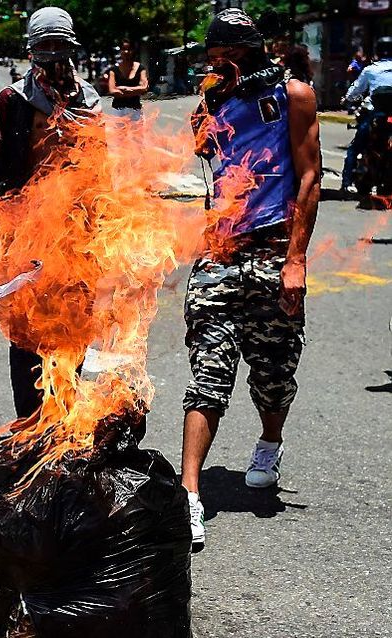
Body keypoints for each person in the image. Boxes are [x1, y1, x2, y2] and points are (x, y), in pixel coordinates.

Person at [184, 8, 320, 552]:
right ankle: (190, 493)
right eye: (214, 57)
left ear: (254, 50)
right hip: (219, 252)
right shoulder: (214, 96)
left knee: (273, 371)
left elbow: (309, 176)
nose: (220, 65)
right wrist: (208, 112)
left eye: (229, 56)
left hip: (273, 249)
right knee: (208, 373)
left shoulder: (295, 96)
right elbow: (209, 158)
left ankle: (269, 442)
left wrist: (297, 260)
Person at [0, 7, 101, 419]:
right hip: (27, 237)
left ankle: (66, 418)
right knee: (27, 332)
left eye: (60, 46)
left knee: (74, 328)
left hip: (77, 235)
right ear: (32, 52)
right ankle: (31, 422)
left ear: (72, 49)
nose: (53, 56)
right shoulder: (13, 101)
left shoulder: (88, 100)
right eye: (44, 47)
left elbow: (99, 169)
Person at [341, 37, 392, 195]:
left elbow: (354, 92)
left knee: (354, 148)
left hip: (376, 115)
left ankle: (347, 183)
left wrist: (346, 99)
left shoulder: (370, 70)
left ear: (377, 52)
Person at [107, 38, 149, 119]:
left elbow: (144, 87)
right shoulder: (114, 70)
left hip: (135, 110)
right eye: (124, 49)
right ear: (120, 51)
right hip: (118, 110)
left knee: (137, 132)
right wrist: (135, 91)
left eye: (129, 49)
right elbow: (112, 90)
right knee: (118, 132)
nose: (126, 52)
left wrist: (124, 89)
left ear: (133, 51)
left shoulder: (140, 68)